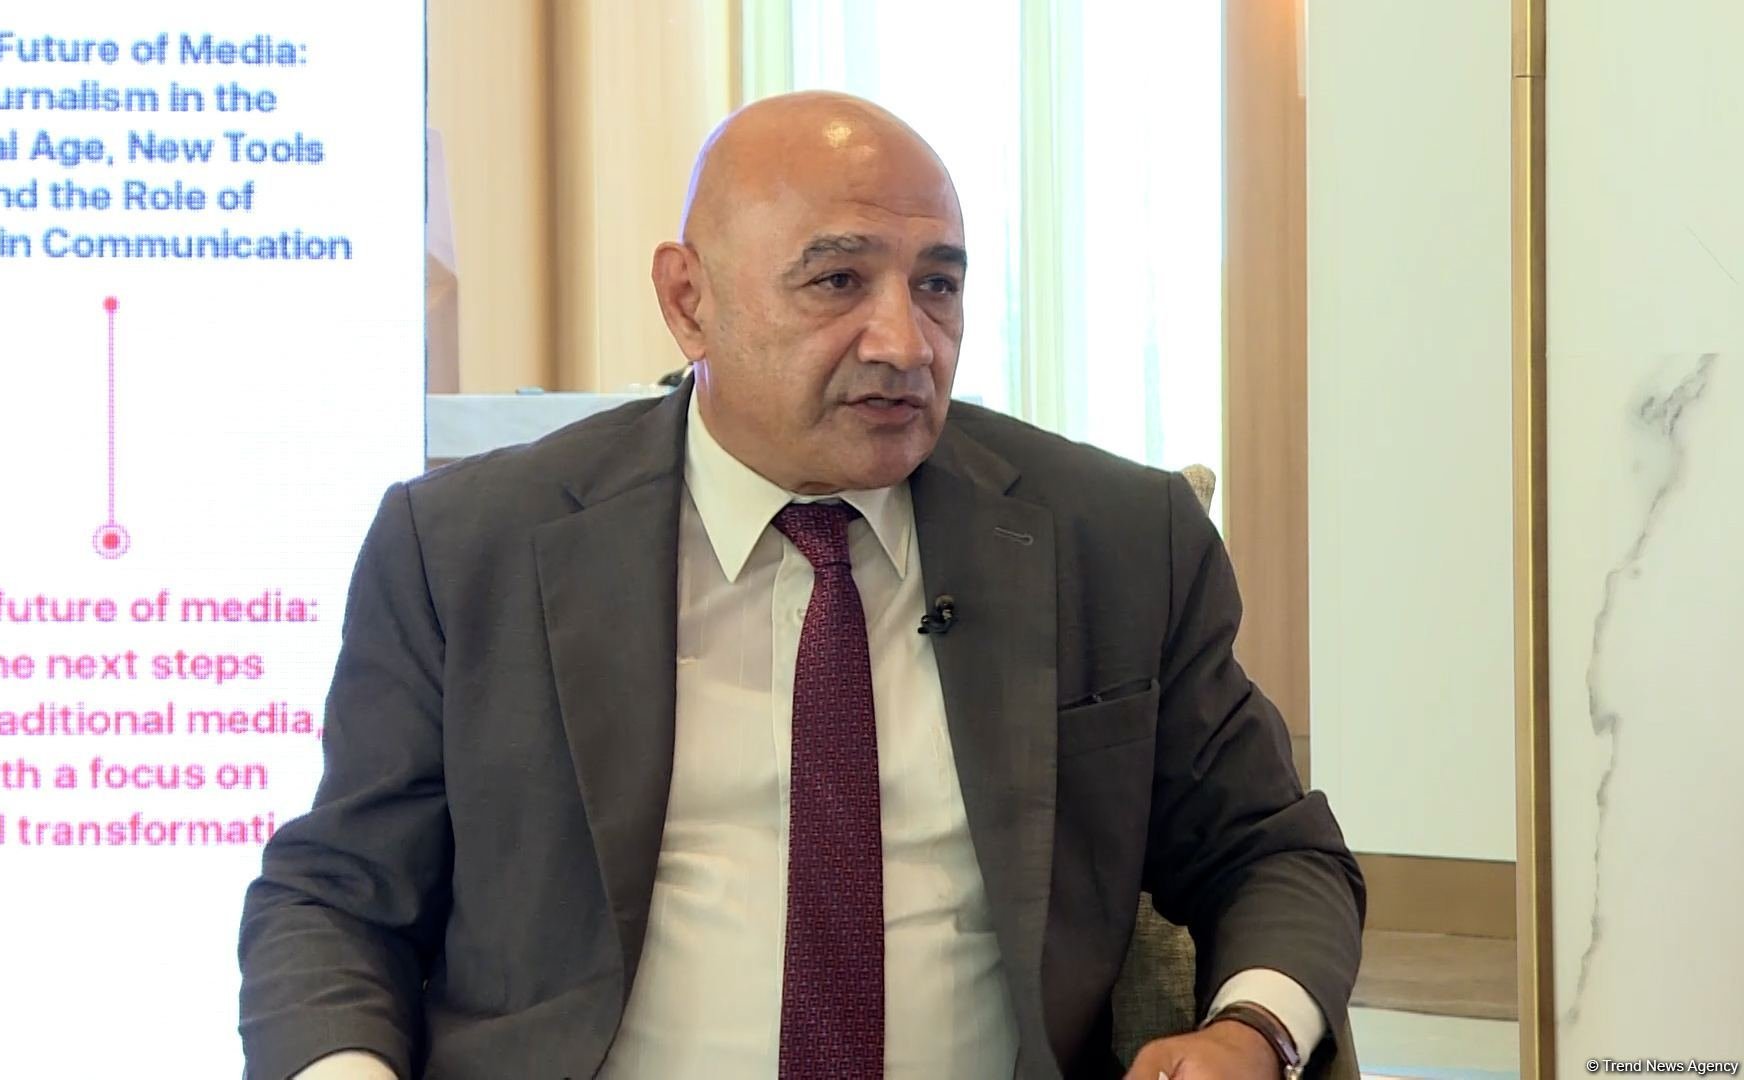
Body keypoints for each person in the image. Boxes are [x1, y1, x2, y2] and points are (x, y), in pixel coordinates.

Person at [239, 91, 1364, 1080]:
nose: (905, 342)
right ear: (689, 300)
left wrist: (1252, 1032)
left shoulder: (1113, 540)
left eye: (938, 285)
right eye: (837, 281)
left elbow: (1273, 851)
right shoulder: (465, 546)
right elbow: (336, 896)